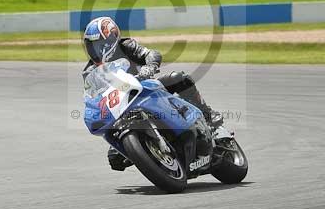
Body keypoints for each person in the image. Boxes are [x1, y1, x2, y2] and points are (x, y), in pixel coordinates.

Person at [82, 16, 228, 171]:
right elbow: (92, 96)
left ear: (112, 39)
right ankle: (153, 152)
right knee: (115, 158)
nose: (96, 50)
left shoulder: (126, 46)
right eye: (92, 46)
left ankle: (208, 115)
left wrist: (150, 66)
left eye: (100, 44)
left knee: (179, 78)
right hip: (121, 107)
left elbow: (151, 54)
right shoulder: (90, 70)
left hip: (147, 88)